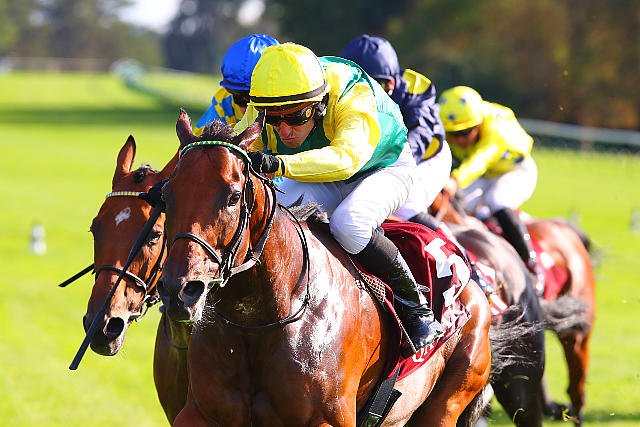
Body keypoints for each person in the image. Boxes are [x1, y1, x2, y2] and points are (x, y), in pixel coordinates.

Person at [237, 42, 444, 355]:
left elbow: (347, 160)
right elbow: (235, 143)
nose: (284, 130)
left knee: (349, 224)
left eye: (296, 116)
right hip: (323, 172)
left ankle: (417, 309)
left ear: (319, 103)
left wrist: (279, 163)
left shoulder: (351, 91)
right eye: (273, 119)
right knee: (273, 214)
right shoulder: (270, 95)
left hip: (383, 167)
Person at [340, 35, 451, 231]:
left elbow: (415, 142)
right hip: (374, 156)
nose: (365, 94)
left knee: (404, 206)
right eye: (357, 84)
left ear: (391, 83)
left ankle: (452, 247)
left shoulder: (415, 92)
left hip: (425, 157)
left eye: (375, 85)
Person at [439, 85, 545, 289]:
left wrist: (455, 180)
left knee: (496, 200)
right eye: (452, 134)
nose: (459, 139)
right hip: (486, 174)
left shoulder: (496, 130)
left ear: (479, 124)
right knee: (457, 207)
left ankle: (531, 266)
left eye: (465, 132)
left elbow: (479, 160)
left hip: (515, 170)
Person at [193, 34, 279, 135]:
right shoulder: (223, 103)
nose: (247, 109)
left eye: (254, 99)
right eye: (239, 98)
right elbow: (200, 142)